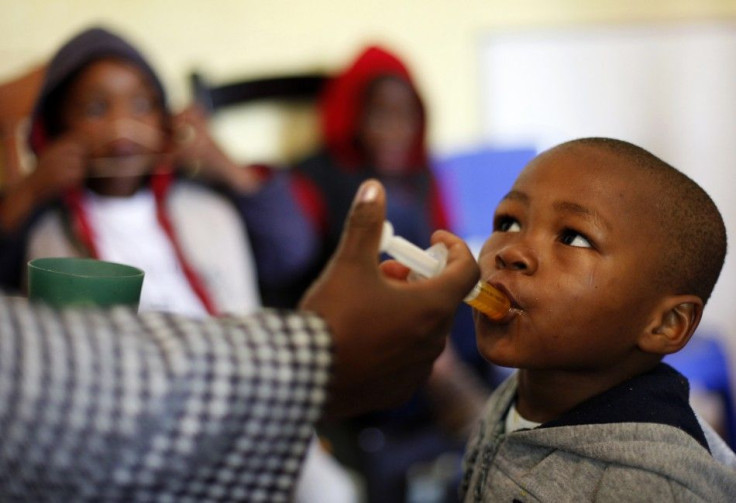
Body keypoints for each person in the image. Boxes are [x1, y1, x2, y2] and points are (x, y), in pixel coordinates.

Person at [0, 178, 481, 501]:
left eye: (562, 236)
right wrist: (310, 361)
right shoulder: (49, 230)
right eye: (504, 224)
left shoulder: (206, 212)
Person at [460, 137, 736, 501]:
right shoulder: (515, 395)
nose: (511, 251)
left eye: (573, 237)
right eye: (509, 223)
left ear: (666, 323)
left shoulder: (649, 488)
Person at [290, 45, 494, 502]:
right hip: (364, 320)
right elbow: (293, 255)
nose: (393, 129)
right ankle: (468, 405)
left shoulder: (424, 175)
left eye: (404, 115)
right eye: (378, 114)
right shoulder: (317, 178)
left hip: (437, 319)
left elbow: (448, 247)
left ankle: (495, 406)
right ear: (352, 118)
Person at [0, 27, 317, 315]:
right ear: (55, 128)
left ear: (164, 119)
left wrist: (228, 168)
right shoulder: (43, 227)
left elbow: (290, 254)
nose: (122, 126)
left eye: (141, 106)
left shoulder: (208, 208)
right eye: (96, 109)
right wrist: (27, 192)